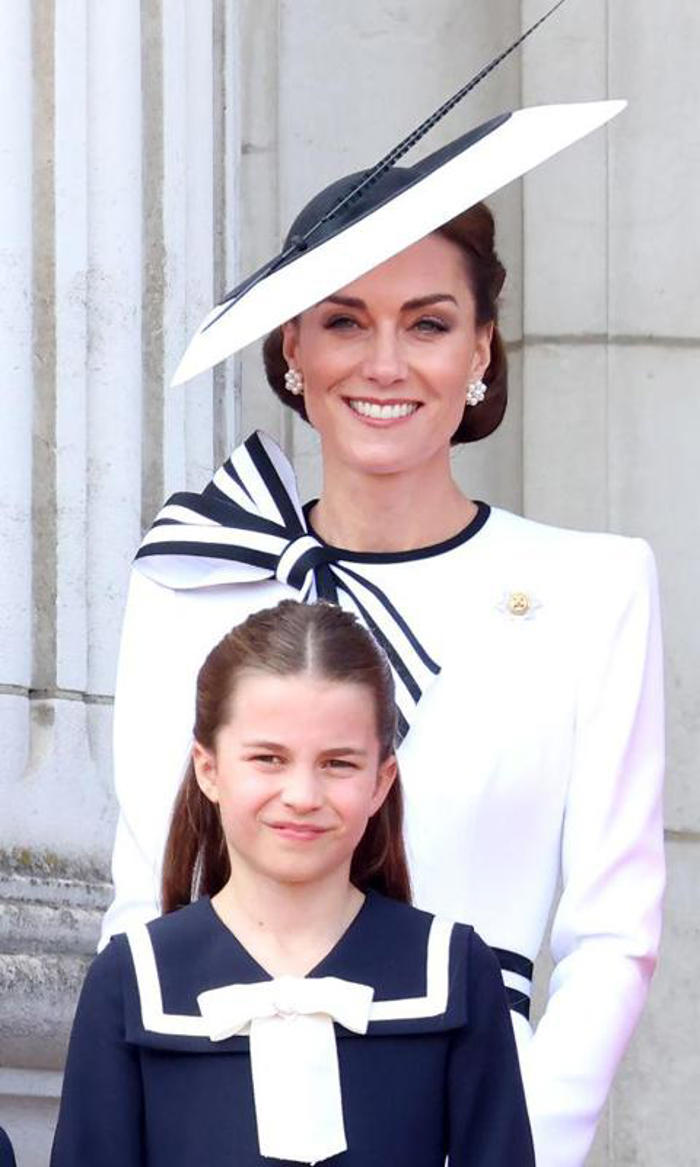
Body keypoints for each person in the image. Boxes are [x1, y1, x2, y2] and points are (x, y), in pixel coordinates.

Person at [99, 91, 664, 1167]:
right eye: (345, 320)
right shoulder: (192, 579)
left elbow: (611, 933)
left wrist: (518, 1149)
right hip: (217, 1110)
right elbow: (146, 893)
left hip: (468, 1115)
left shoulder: (594, 589)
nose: (386, 363)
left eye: (429, 322)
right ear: (291, 352)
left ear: (482, 349)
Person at [53, 601, 535, 1166]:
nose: (303, 795)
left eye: (338, 764)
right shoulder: (132, 978)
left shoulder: (453, 969)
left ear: (382, 781)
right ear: (209, 769)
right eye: (268, 758)